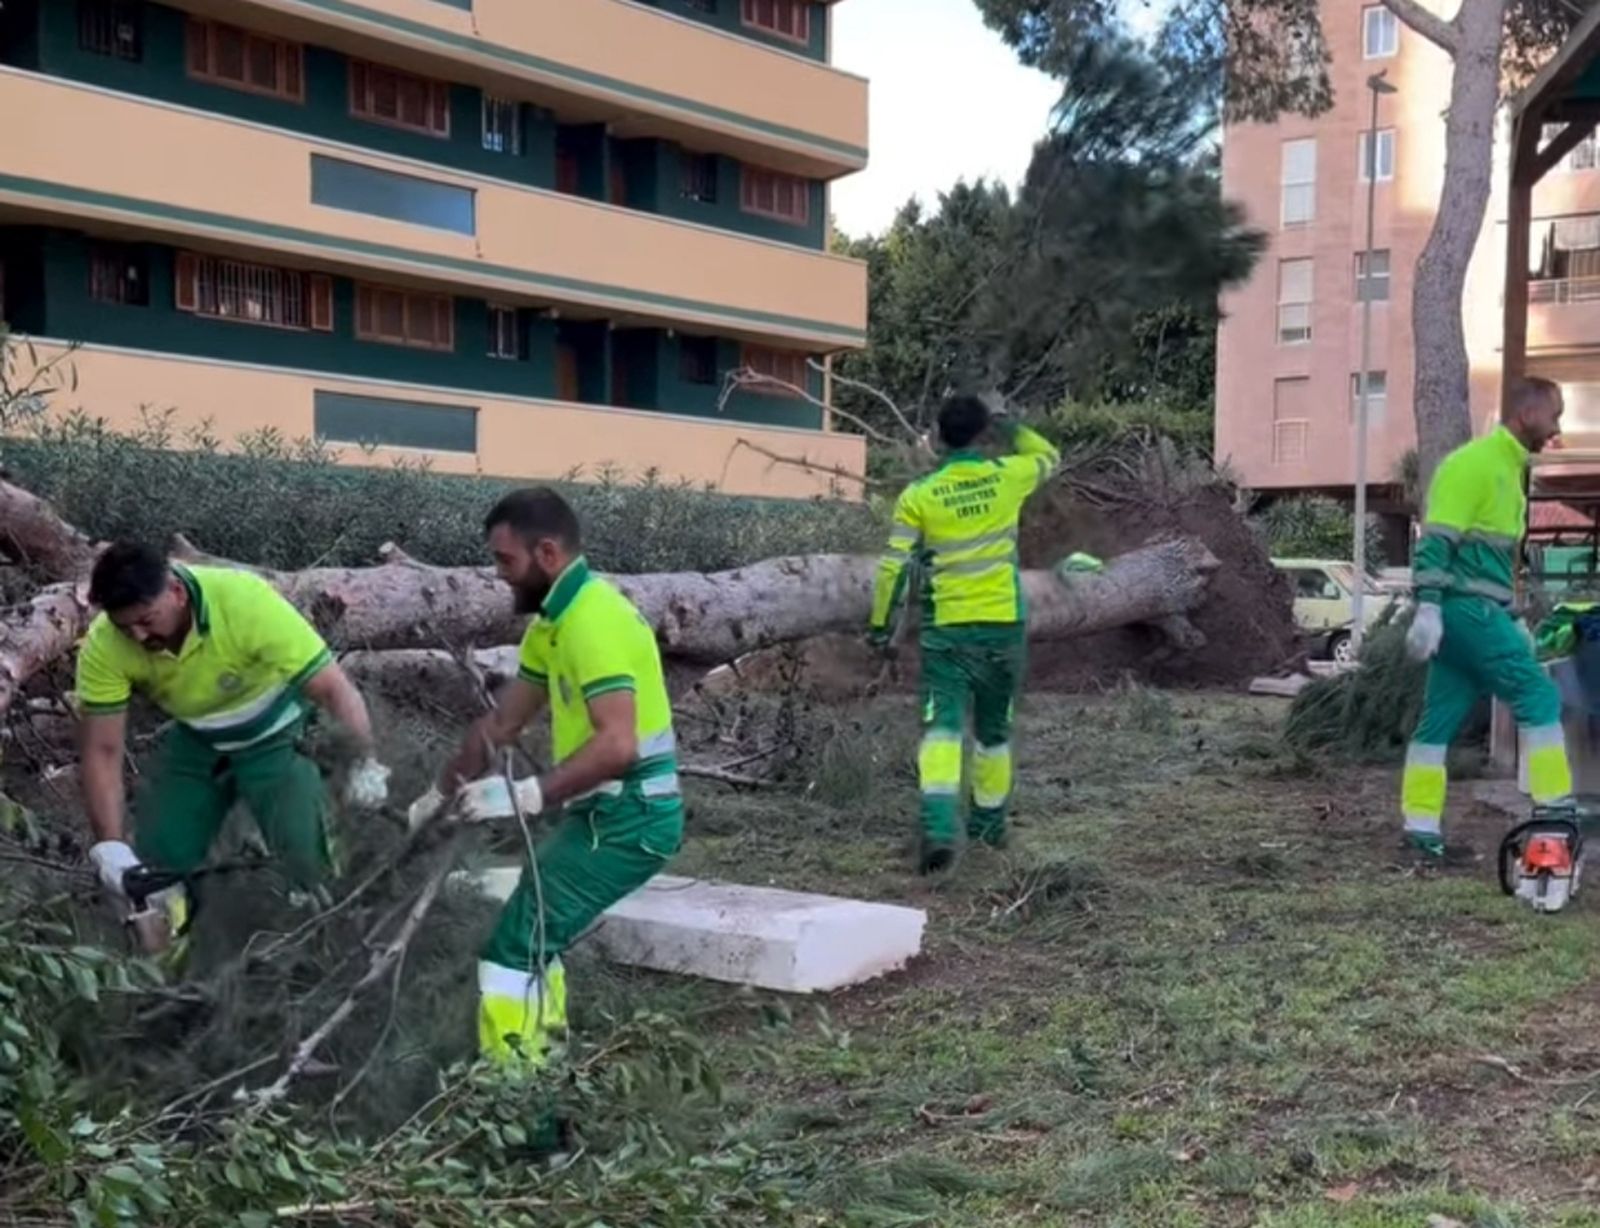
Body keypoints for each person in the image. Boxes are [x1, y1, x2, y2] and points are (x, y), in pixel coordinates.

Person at [408, 488, 683, 1068]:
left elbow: (618, 745)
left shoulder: (592, 621)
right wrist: (439, 792)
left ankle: (520, 1105)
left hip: (631, 816)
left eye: (506, 561)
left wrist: (524, 796)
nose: (499, 574)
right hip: (606, 814)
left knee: (512, 950)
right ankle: (547, 1078)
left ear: (548, 553)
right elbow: (502, 723)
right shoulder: (553, 626)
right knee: (534, 939)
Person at [78, 542, 390, 949]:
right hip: (199, 739)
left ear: (175, 591)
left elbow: (334, 689)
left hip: (279, 734)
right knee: (157, 861)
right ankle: (165, 973)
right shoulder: (105, 644)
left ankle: (316, 951)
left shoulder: (244, 601)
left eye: (147, 621)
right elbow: (102, 750)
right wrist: (111, 846)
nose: (138, 636)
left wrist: (362, 761)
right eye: (125, 628)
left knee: (306, 858)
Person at [868, 394, 1069, 874]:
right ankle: (989, 828)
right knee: (994, 733)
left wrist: (880, 628)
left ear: (938, 439)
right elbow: (1049, 456)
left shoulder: (919, 495)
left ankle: (939, 829)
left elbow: (892, 569)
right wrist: (1009, 424)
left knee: (942, 731)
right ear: (983, 436)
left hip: (948, 635)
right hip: (1003, 628)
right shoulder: (1007, 476)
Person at [1402, 376, 1574, 857]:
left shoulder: (1506, 470)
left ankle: (1421, 833)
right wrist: (1429, 605)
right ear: (1527, 414)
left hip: (1468, 613)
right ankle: (1555, 817)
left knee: (1437, 722)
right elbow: (1437, 540)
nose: (1557, 426)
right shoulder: (1476, 465)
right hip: (1464, 611)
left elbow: (1491, 563)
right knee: (1538, 695)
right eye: (1554, 414)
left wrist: (1509, 613)